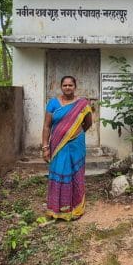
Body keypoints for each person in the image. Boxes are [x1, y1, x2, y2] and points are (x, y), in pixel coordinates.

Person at [42, 75, 92, 220]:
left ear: (75, 87)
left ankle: (76, 208)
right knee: (59, 172)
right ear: (61, 87)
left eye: (70, 85)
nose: (68, 87)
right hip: (57, 145)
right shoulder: (53, 103)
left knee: (76, 173)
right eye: (65, 85)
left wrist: (75, 132)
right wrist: (45, 147)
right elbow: (46, 126)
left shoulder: (82, 104)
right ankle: (57, 209)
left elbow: (88, 123)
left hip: (77, 144)